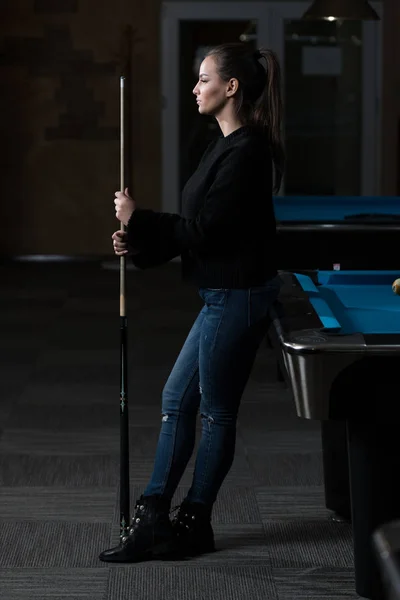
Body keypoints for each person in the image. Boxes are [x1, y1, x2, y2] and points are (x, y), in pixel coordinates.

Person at [101, 42, 284, 564]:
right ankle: (157, 515)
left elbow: (205, 231)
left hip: (239, 295)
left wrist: (139, 218)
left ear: (232, 87)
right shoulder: (223, 145)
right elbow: (201, 231)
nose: (195, 88)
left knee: (214, 414)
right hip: (223, 294)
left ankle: (191, 519)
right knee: (177, 400)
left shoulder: (248, 150)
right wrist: (136, 238)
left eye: (204, 79)